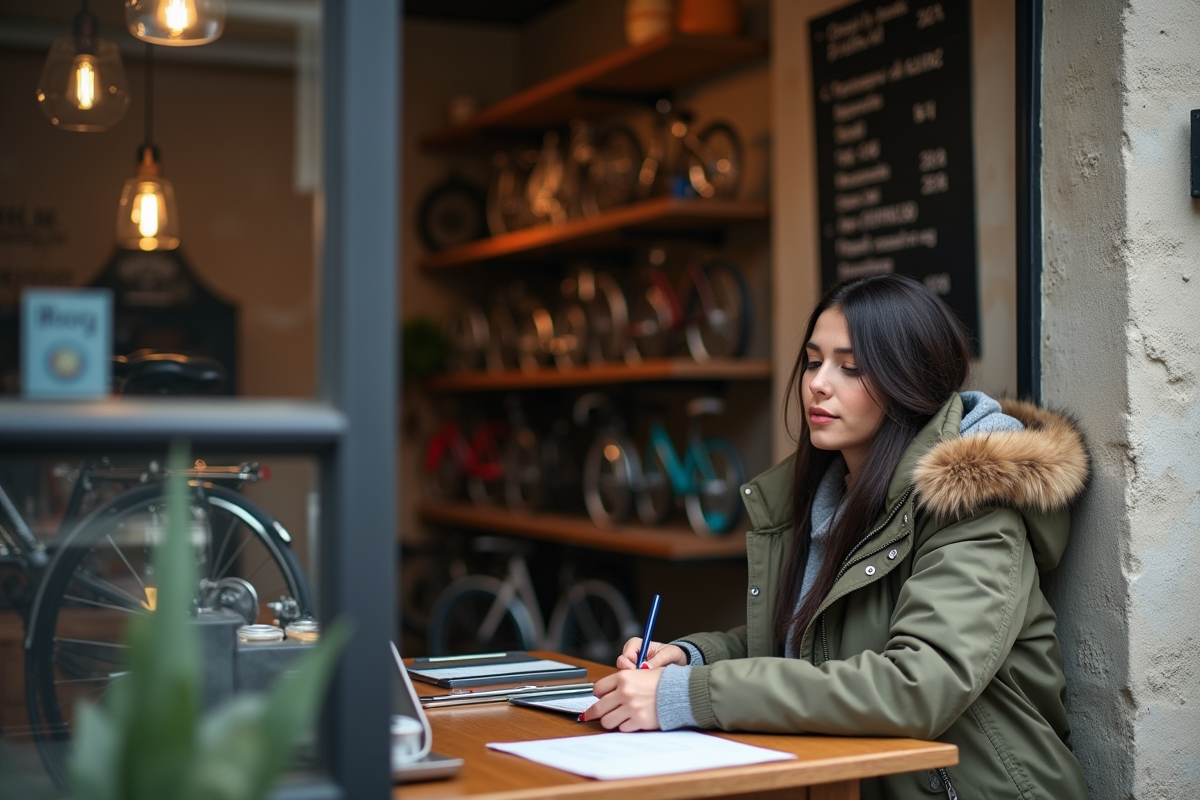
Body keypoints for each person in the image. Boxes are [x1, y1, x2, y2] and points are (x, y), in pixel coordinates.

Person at [584, 274, 1091, 800]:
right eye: (812, 361)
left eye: (850, 368)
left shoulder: (973, 504)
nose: (817, 384)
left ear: (910, 379)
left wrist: (692, 695)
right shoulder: (829, 494)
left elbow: (916, 687)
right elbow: (804, 644)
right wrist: (693, 659)